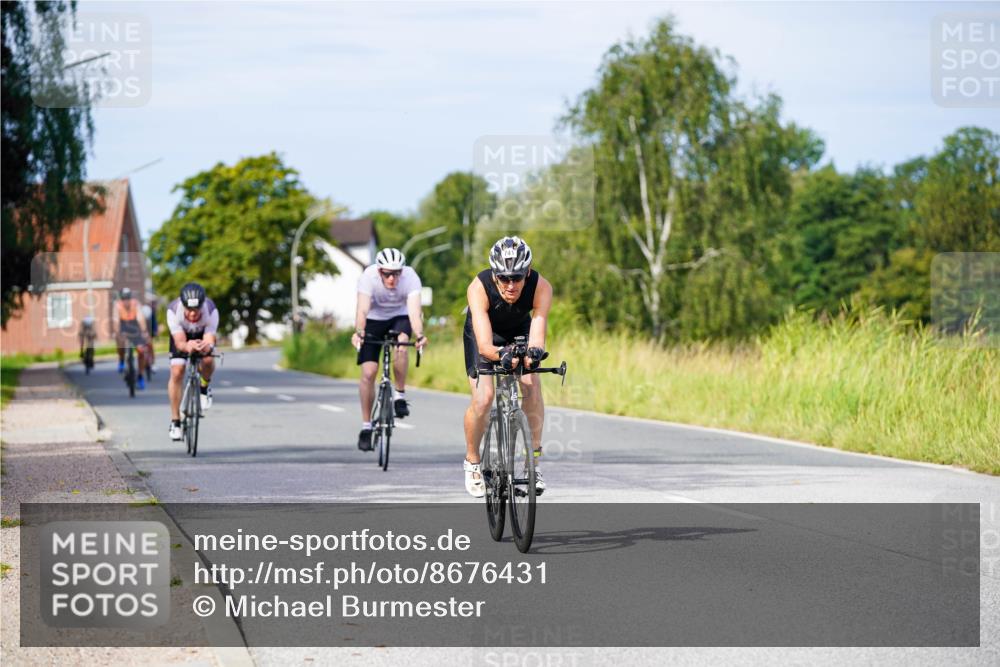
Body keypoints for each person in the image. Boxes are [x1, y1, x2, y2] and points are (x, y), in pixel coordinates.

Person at [462, 236, 552, 497]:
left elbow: (538, 331)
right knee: (484, 397)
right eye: (503, 278)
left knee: (531, 385)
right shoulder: (478, 288)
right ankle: (472, 461)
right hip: (484, 336)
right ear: (494, 274)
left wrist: (533, 354)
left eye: (517, 277)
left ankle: (532, 462)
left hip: (519, 330)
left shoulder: (541, 287)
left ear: (528, 272)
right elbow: (485, 347)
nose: (511, 285)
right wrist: (500, 354)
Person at [350, 248, 428, 451]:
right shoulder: (368, 276)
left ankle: (400, 396)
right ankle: (366, 427)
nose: (392, 278)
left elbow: (414, 312)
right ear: (379, 272)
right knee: (369, 372)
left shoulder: (410, 277)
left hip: (399, 316)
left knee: (402, 344)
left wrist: (419, 336)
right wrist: (359, 331)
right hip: (373, 319)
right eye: (387, 274)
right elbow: (362, 309)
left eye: (396, 273)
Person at [166, 283, 219, 441]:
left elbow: (210, 338)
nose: (192, 313)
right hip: (182, 337)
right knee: (177, 371)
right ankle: (175, 421)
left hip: (202, 335)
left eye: (196, 310)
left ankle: (204, 387)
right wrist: (187, 346)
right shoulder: (174, 311)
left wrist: (207, 346)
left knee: (208, 358)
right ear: (183, 305)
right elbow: (179, 342)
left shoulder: (210, 310)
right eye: (188, 309)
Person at [113, 287, 149, 390]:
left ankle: (140, 376)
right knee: (119, 340)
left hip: (135, 326)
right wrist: (118, 332)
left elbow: (141, 318)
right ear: (121, 299)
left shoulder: (136, 304)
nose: (126, 301)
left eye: (128, 298)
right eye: (124, 299)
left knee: (141, 351)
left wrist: (144, 331)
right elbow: (116, 321)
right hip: (123, 325)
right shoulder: (117, 305)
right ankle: (121, 360)